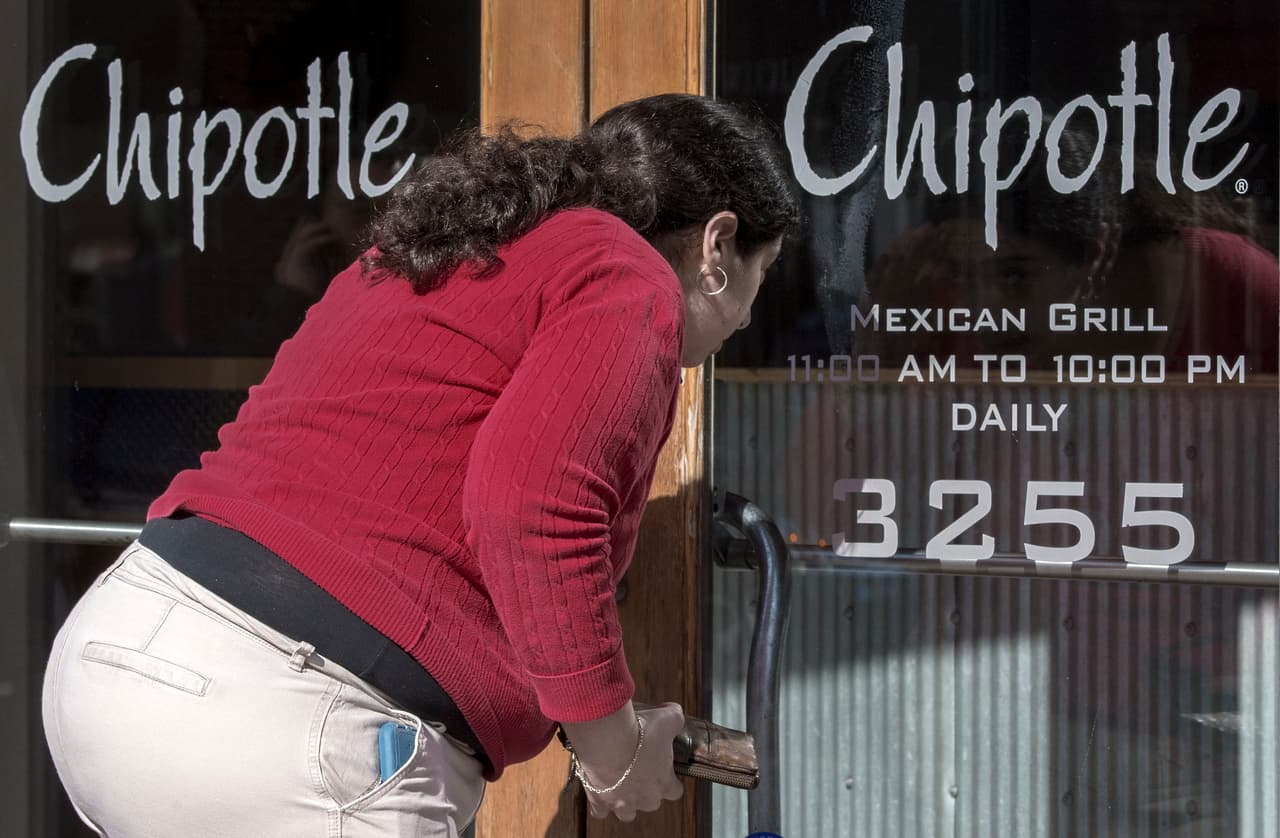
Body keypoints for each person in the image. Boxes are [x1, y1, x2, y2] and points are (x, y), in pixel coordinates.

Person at [40, 92, 801, 837]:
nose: (745, 316)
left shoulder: (456, 241)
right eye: (758, 276)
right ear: (716, 245)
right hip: (288, 725)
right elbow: (534, 508)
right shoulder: (627, 275)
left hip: (123, 650)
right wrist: (614, 753)